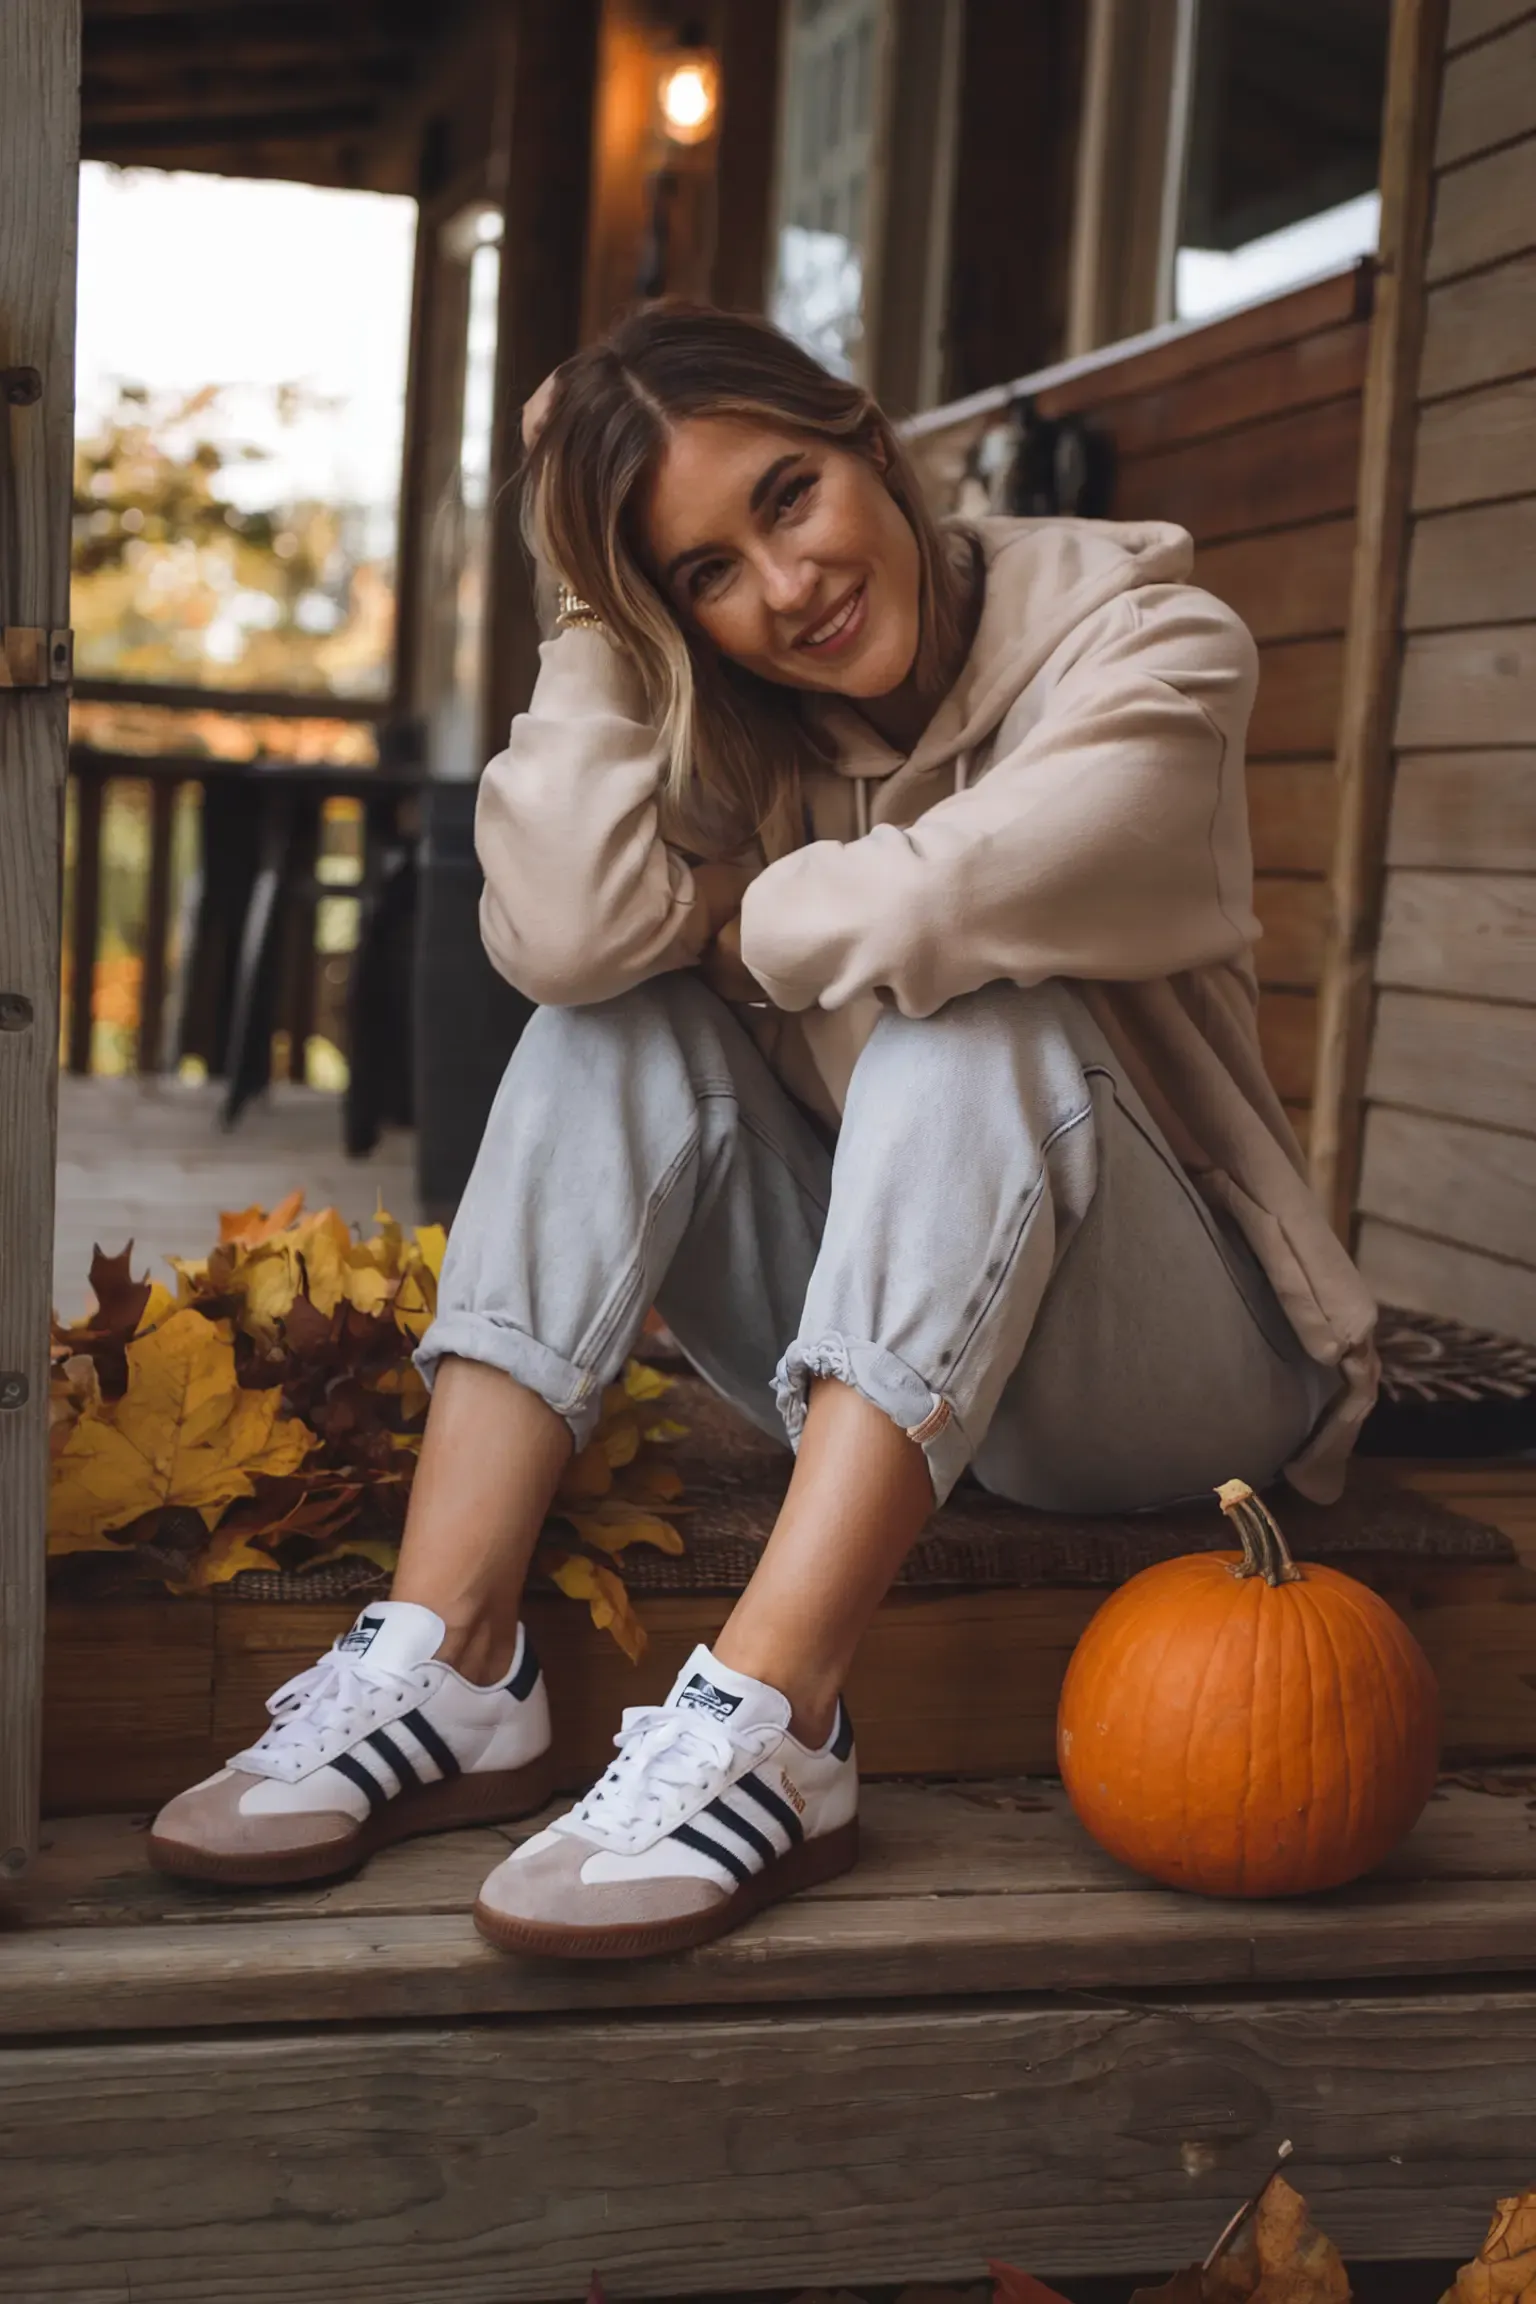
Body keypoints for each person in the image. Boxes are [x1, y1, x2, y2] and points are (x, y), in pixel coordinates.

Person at [148, 302, 1377, 1958]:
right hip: (893, 1363)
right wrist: (591, 592)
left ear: (875, 441)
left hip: (1170, 1382)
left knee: (977, 1020)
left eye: (789, 497)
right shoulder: (725, 709)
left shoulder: (1150, 634)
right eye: (704, 571)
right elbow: (567, 932)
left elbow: (1000, 880)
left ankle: (777, 1715)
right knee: (609, 1022)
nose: (783, 590)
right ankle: (448, 1659)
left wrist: (751, 913)